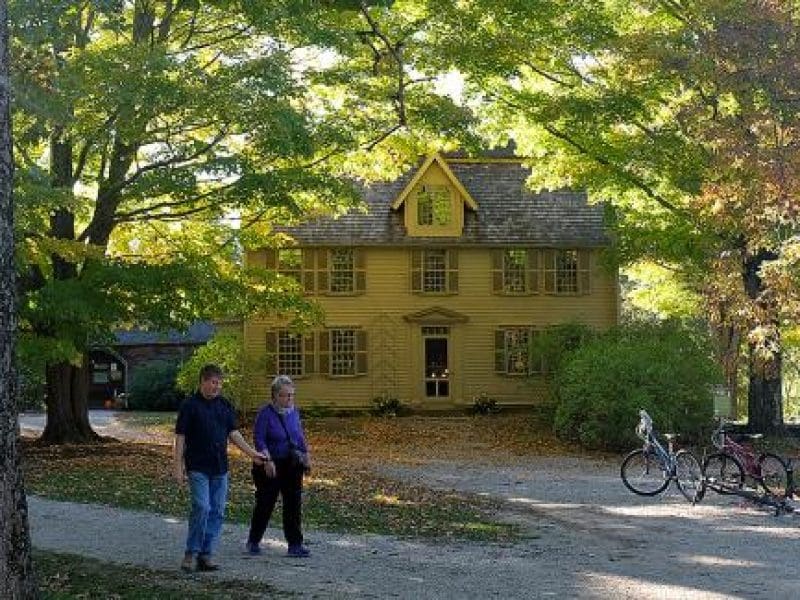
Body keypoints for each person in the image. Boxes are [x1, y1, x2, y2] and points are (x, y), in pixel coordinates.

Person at [173, 364, 266, 572]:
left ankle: (206, 555)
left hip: (220, 468)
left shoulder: (224, 405)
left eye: (219, 383)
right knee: (202, 507)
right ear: (203, 382)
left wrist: (252, 454)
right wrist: (177, 466)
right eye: (213, 382)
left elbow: (233, 434)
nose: (217, 387)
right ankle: (191, 552)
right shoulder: (189, 406)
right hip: (197, 466)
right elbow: (180, 438)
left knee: (217, 511)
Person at [246, 374, 311, 558]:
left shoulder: (294, 412)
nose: (289, 399)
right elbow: (259, 439)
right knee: (265, 503)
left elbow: (299, 436)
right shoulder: (265, 414)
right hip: (270, 464)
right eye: (285, 395)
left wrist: (306, 456)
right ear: (275, 396)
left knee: (293, 504)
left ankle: (295, 544)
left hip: (291, 463)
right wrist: (267, 460)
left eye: (292, 395)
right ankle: (253, 540)